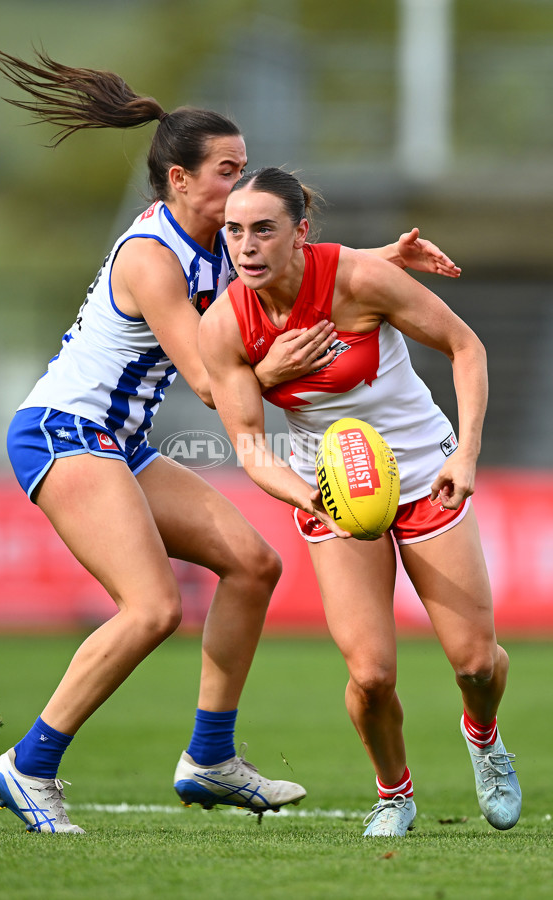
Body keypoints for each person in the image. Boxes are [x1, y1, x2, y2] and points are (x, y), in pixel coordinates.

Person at [0, 49, 462, 835]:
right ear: (179, 181)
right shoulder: (151, 257)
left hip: (120, 443)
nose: (239, 184)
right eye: (225, 170)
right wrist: (267, 364)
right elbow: (211, 383)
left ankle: (209, 758)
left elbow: (290, 269)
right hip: (64, 432)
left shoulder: (216, 240)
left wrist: (383, 262)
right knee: (151, 608)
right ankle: (29, 765)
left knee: (252, 563)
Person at [199, 167, 522, 837]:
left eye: (264, 229)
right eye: (234, 231)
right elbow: (252, 448)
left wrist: (464, 454)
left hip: (425, 473)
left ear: (301, 233)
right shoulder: (224, 323)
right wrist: (314, 498)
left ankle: (486, 742)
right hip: (332, 492)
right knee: (371, 675)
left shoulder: (358, 279)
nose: (247, 246)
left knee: (476, 663)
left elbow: (467, 347)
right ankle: (394, 793)